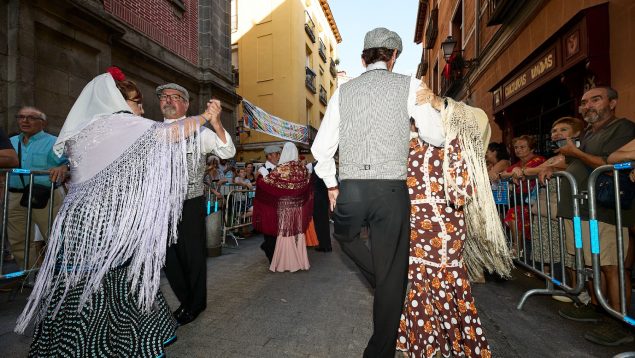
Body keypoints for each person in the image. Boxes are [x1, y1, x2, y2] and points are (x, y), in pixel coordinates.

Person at [15, 67, 223, 356]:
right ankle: (111, 342)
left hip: (79, 223)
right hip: (108, 224)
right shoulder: (121, 125)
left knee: (79, 284)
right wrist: (206, 117)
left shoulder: (87, 128)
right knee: (113, 282)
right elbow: (170, 133)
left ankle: (70, 343)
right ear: (118, 103)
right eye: (137, 103)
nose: (142, 108)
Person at [311, 27, 446, 357]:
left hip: (353, 187)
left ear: (363, 58)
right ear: (394, 57)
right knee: (391, 271)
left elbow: (321, 149)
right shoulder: (411, 85)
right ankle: (380, 347)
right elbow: (436, 137)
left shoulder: (344, 91)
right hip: (391, 190)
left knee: (344, 236)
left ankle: (386, 281)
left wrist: (331, 185)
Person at [396, 90, 509, 357]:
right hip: (418, 227)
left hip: (442, 228)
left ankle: (453, 344)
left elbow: (461, 193)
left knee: (441, 282)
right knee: (423, 282)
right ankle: (427, 343)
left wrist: (440, 103)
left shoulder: (454, 143)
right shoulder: (412, 146)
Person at [540, 86, 635, 346]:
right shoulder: (590, 132)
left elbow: (611, 163)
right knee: (593, 264)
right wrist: (553, 166)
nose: (588, 105)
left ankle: (621, 321)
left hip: (604, 211)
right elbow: (575, 162)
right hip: (582, 211)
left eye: (596, 99)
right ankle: (598, 308)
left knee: (611, 266)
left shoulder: (623, 128)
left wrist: (575, 154)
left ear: (613, 102)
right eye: (584, 102)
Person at [157, 82, 236, 326]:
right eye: (164, 97)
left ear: (186, 104)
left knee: (192, 257)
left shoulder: (199, 131)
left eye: (175, 96)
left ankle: (195, 304)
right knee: (168, 259)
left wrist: (216, 122)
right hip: (159, 206)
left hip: (189, 203)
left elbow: (227, 151)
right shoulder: (153, 130)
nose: (168, 100)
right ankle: (186, 300)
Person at [7, 106, 69, 270]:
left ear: (43, 122)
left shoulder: (54, 142)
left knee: (55, 237)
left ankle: (61, 276)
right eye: (21, 117)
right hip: (15, 196)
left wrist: (64, 168)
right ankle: (30, 276)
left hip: (46, 196)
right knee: (18, 239)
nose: (25, 121)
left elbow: (69, 165)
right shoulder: (10, 143)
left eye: (31, 117)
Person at [253, 142, 313, 272]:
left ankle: (286, 263)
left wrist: (262, 176)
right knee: (297, 232)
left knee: (286, 234)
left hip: (285, 208)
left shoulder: (281, 168)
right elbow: (308, 184)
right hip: (298, 208)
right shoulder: (302, 169)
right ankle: (301, 261)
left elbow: (268, 184)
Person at [257, 145, 282, 262]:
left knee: (275, 232)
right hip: (267, 206)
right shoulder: (263, 170)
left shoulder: (279, 168)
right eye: (277, 154)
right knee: (270, 232)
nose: (279, 156)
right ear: (269, 156)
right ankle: (271, 257)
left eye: (278, 154)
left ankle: (268, 248)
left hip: (277, 205)